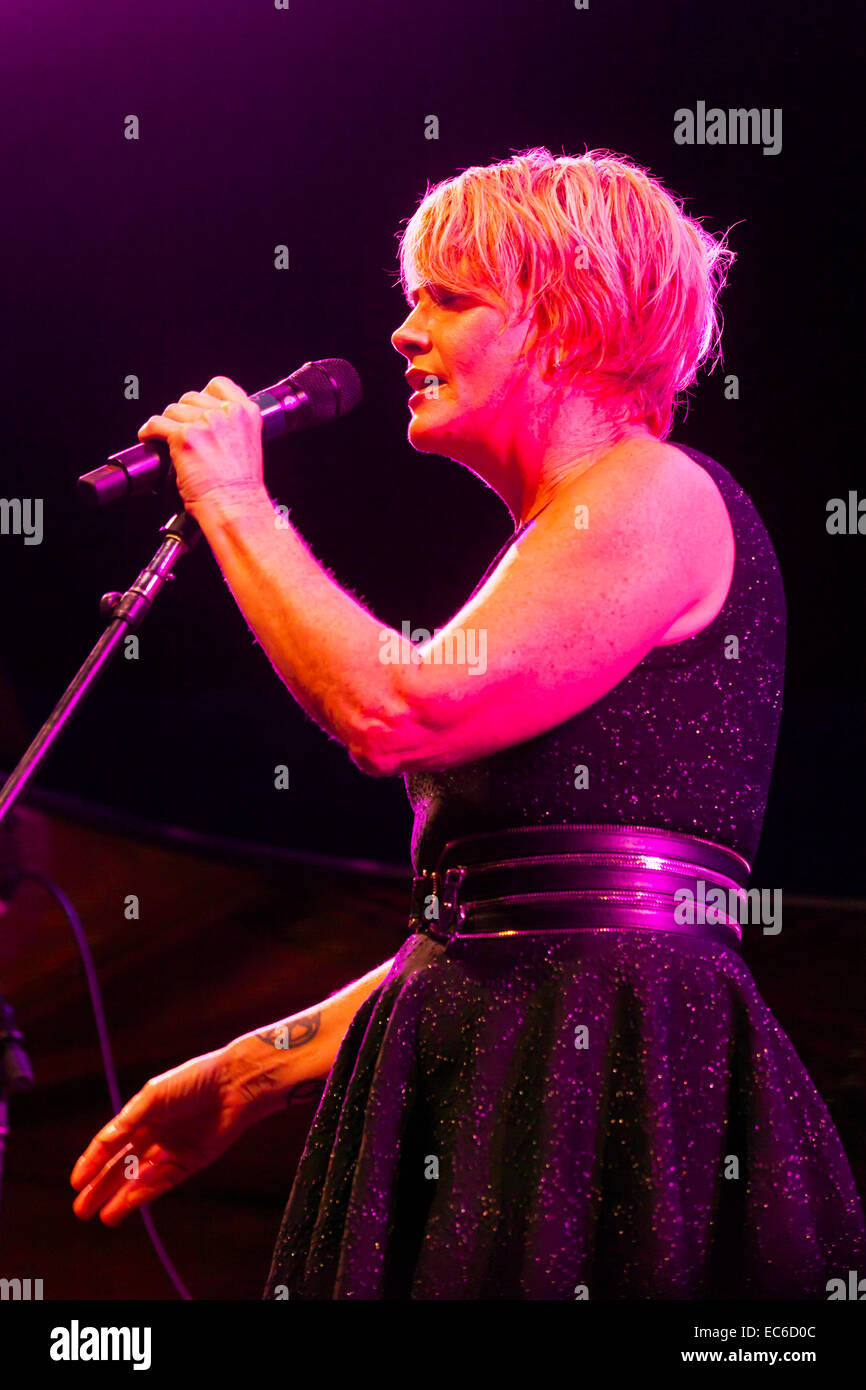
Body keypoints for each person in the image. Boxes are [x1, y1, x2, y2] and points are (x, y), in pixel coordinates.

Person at [70, 147, 866, 1299]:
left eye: (445, 298)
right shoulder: (560, 540)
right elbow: (499, 933)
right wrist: (253, 1067)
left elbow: (393, 711)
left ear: (564, 319)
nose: (401, 331)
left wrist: (236, 500)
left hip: (611, 1084)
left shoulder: (651, 490)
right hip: (515, 1059)